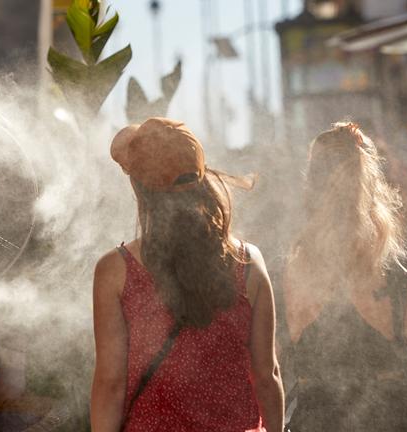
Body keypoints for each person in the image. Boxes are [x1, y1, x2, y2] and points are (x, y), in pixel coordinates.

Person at [279, 122, 407, 431]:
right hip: (396, 419)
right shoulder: (396, 275)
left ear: (311, 181)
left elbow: (268, 372)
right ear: (371, 180)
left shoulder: (289, 278)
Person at [90, 118, 283, 432]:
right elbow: (266, 375)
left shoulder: (116, 271)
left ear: (140, 188)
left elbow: (111, 384)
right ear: (202, 175)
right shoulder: (247, 261)